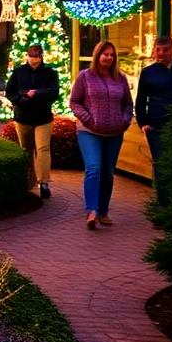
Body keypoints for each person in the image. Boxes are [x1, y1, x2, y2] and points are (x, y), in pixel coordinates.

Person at [70, 41, 133, 230]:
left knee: (107, 173)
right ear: (97, 55)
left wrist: (125, 120)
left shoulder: (120, 79)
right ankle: (91, 211)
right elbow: (74, 102)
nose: (109, 58)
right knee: (94, 168)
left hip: (114, 132)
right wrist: (87, 119)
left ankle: (103, 211)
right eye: (105, 54)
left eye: (112, 55)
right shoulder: (85, 77)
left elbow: (128, 104)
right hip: (90, 131)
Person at [135, 35, 172, 206]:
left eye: (165, 50)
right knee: (161, 166)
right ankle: (164, 208)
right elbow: (141, 100)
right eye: (158, 49)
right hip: (156, 127)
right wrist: (143, 123)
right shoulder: (148, 73)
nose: (161, 53)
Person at [5, 44, 60, 198]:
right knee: (26, 149)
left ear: (42, 56)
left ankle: (43, 182)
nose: (34, 60)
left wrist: (38, 94)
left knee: (43, 148)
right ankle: (29, 181)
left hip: (43, 118)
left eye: (37, 56)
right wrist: (22, 99)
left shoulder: (49, 73)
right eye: (32, 56)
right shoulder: (18, 72)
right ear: (27, 56)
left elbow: (54, 92)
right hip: (23, 117)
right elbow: (10, 92)